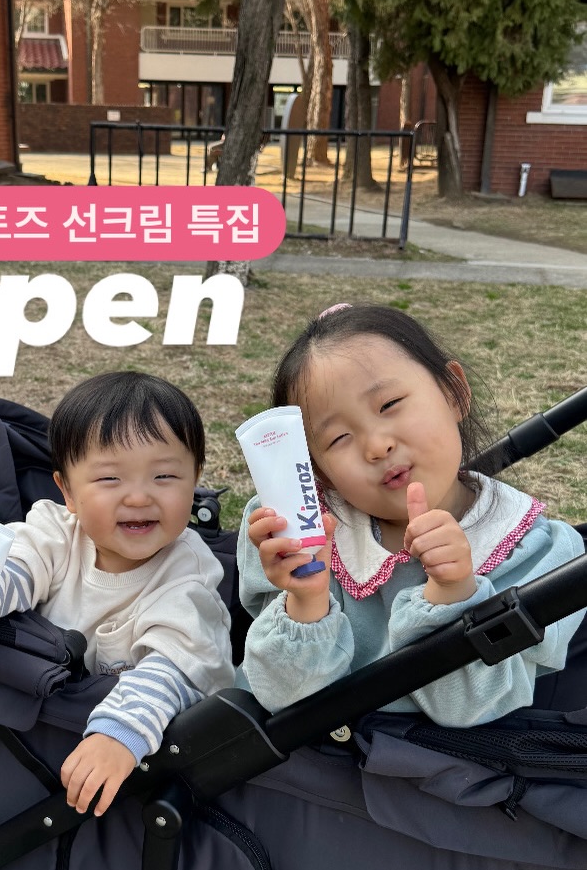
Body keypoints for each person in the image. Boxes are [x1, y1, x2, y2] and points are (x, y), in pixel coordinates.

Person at [238, 303, 585, 725]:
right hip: (313, 759)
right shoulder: (301, 535)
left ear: (454, 392)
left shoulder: (539, 553)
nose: (376, 445)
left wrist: (452, 594)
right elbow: (281, 698)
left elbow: (473, 710)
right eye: (339, 437)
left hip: (429, 762)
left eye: (389, 404)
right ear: (318, 472)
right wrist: (307, 601)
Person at [0, 371, 234, 815]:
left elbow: (179, 665)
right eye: (110, 479)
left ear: (195, 479)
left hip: (151, 752)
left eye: (164, 475)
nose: (139, 497)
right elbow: (17, 562)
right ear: (67, 490)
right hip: (46, 731)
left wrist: (118, 732)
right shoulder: (56, 531)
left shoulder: (189, 573)